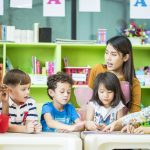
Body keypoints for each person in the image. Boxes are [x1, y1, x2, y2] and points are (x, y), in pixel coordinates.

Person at [88, 35, 141, 113]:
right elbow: (89, 100)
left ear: (125, 57)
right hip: (97, 122)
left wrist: (120, 124)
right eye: (106, 53)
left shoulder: (133, 82)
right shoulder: (97, 69)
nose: (108, 58)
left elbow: (135, 114)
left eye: (113, 54)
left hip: (120, 123)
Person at [0, 69, 41, 133]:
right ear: (10, 91)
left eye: (29, 88)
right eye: (23, 89)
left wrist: (34, 127)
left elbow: (31, 122)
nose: (28, 92)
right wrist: (24, 129)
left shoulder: (30, 102)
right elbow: (5, 126)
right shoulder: (2, 103)